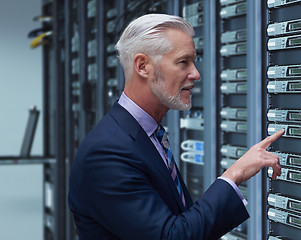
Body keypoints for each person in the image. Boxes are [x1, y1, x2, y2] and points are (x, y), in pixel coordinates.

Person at [68, 14, 283, 240]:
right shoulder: (106, 153)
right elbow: (172, 236)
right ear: (143, 66)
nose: (196, 74)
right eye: (183, 62)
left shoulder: (146, 135)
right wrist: (234, 175)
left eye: (194, 61)